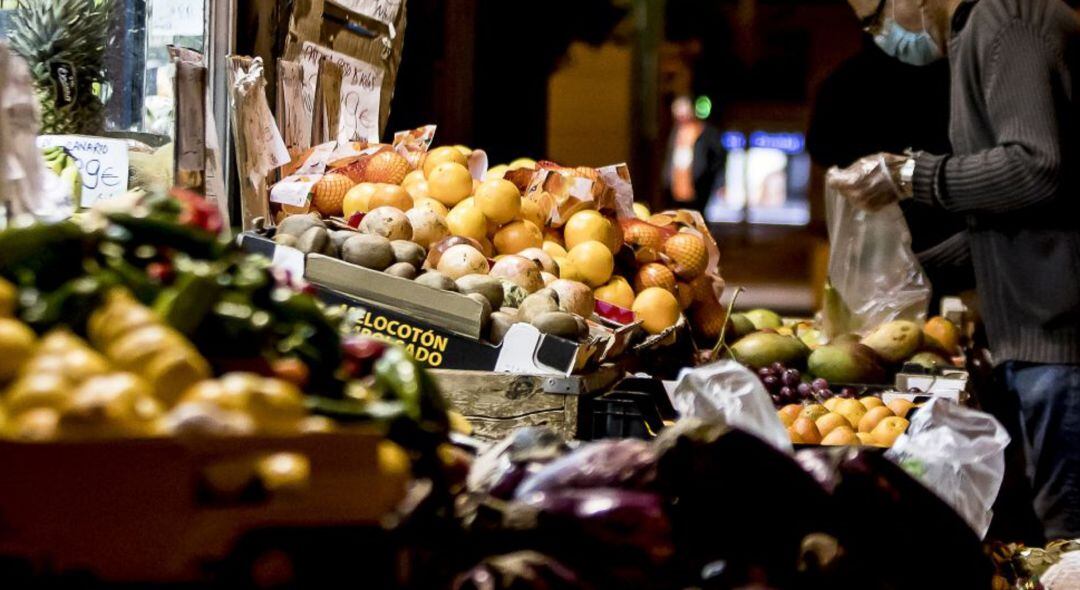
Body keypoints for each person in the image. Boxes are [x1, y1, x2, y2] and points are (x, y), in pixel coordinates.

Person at [829, 0, 1080, 539]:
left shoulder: (1006, 18)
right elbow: (1019, 220)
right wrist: (912, 276)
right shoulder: (975, 34)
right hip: (1037, 346)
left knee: (1069, 539)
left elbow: (1037, 169)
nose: (876, 35)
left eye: (875, 16)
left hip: (1062, 349)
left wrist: (913, 175)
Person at [806, 37, 973, 306]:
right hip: (944, 219)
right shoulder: (946, 74)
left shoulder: (846, 78)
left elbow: (820, 149)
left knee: (868, 323)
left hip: (870, 230)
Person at [662, 96, 726, 212]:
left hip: (700, 188)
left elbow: (718, 160)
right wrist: (667, 178)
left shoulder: (706, 132)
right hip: (677, 187)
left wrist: (719, 183)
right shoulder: (676, 132)